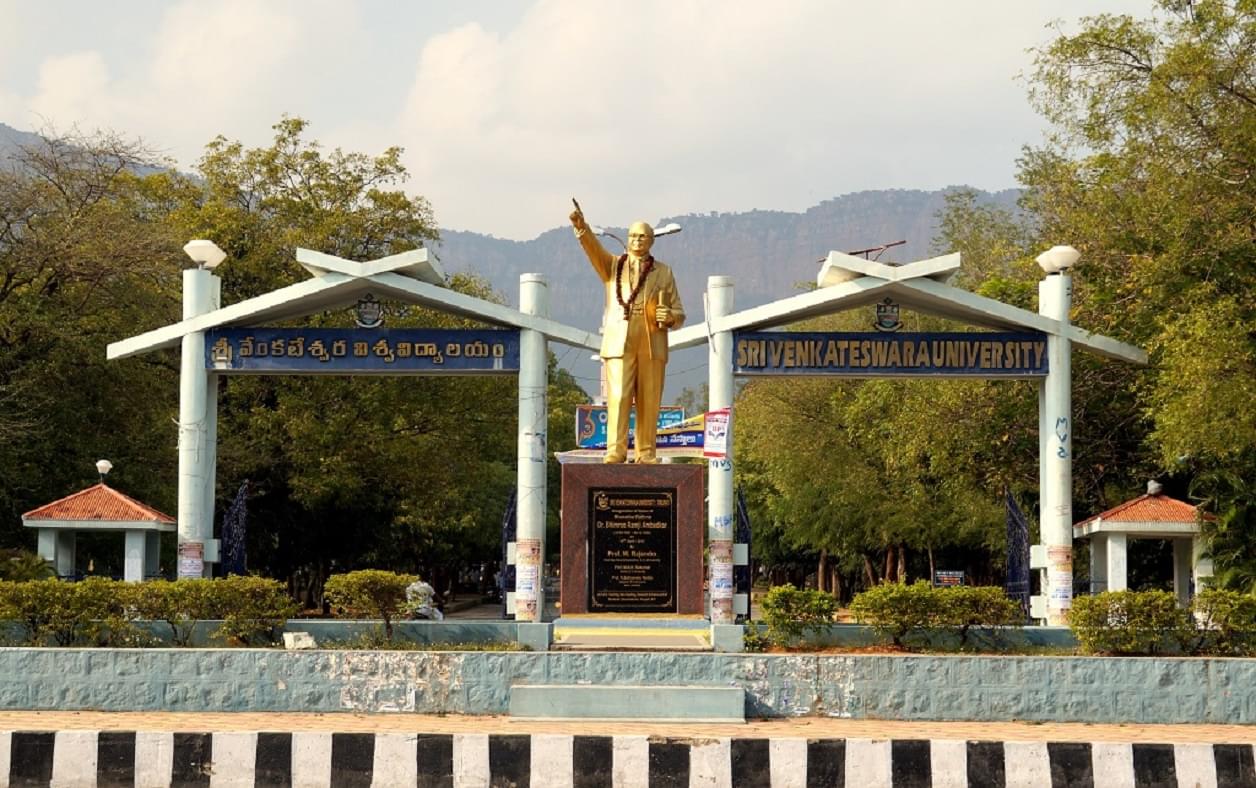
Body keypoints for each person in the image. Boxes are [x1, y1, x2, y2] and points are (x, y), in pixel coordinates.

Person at [570, 203, 685, 463]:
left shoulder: (663, 272)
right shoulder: (613, 266)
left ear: (651, 241)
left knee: (649, 399)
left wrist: (670, 317)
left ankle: (646, 453)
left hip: (651, 342)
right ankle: (616, 450)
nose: (636, 240)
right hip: (619, 342)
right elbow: (594, 251)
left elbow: (679, 311)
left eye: (642, 236)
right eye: (633, 235)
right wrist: (582, 229)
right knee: (619, 397)